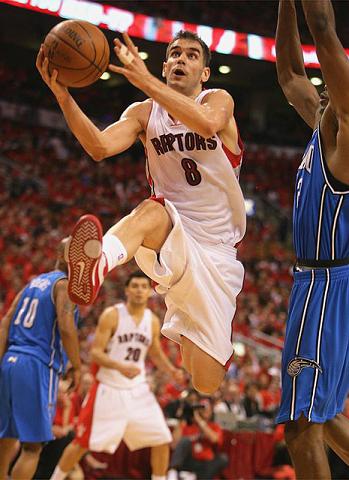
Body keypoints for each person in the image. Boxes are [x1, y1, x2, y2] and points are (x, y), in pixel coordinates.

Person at [36, 29, 246, 395]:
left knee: (205, 382)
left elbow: (207, 124)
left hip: (217, 249)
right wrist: (62, 94)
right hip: (170, 231)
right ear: (165, 66)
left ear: (205, 73)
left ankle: (195, 330)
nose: (181, 59)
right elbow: (100, 146)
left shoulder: (219, 100)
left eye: (192, 55)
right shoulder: (144, 113)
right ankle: (97, 262)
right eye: (175, 54)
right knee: (151, 210)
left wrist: (146, 81)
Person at [275, 1, 349, 478]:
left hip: (326, 286)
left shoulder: (344, 137)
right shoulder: (322, 126)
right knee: (327, 418)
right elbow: (288, 73)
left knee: (301, 425)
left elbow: (322, 26)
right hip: (322, 282)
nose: (316, 91)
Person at [51, 270, 182, 480]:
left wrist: (171, 370)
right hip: (108, 389)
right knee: (81, 444)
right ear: (127, 290)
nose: (139, 291)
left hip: (138, 390)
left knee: (161, 439)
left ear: (149, 292)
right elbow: (95, 353)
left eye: (143, 287)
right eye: (135, 286)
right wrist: (120, 367)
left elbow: (155, 352)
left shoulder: (152, 320)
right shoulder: (112, 315)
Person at [0, 239, 81, 480]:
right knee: (33, 446)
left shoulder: (33, 283)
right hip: (36, 365)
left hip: (11, 361)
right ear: (66, 255)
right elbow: (67, 329)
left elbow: (5, 324)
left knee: (6, 435)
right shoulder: (64, 285)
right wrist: (77, 365)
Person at [169, 398, 228, 480]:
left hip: (205, 463)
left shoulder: (214, 426)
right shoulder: (189, 426)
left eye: (208, 409)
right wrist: (182, 419)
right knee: (184, 440)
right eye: (203, 409)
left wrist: (199, 420)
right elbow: (173, 445)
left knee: (223, 458)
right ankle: (173, 471)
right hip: (190, 461)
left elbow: (214, 439)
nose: (205, 411)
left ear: (211, 411)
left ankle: (194, 476)